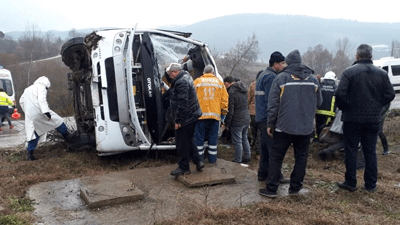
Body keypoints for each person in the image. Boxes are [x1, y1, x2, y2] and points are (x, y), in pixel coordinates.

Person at [259, 49, 322, 198]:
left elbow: (273, 104)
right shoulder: (313, 80)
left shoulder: (281, 79)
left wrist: (270, 124)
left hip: (283, 127)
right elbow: (319, 102)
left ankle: (272, 189)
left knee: (276, 157)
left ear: (288, 63)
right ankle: (295, 188)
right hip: (306, 128)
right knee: (301, 158)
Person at [335, 44, 395, 192]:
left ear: (357, 56)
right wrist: (378, 105)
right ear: (371, 56)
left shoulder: (349, 72)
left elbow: (340, 94)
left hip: (352, 119)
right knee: (370, 151)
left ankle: (350, 183)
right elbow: (390, 95)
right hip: (373, 119)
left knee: (351, 150)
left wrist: (346, 107)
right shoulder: (381, 74)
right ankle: (370, 185)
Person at [19, 76, 72, 161]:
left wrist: (27, 111)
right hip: (40, 112)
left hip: (30, 115)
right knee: (58, 121)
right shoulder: (41, 87)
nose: (46, 90)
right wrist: (46, 112)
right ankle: (69, 142)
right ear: (46, 84)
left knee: (35, 132)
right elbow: (41, 99)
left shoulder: (28, 89)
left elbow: (21, 101)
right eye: (47, 88)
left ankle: (30, 154)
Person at [166, 63, 205, 176]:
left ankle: (184, 168)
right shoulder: (186, 76)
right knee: (189, 139)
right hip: (192, 115)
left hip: (186, 117)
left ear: (175, 72)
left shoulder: (181, 82)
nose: (169, 76)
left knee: (181, 143)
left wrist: (178, 121)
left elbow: (183, 103)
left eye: (170, 73)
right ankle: (198, 161)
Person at [255, 51, 287, 182]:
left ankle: (262, 174)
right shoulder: (271, 77)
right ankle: (276, 176)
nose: (284, 66)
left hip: (260, 117)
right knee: (273, 150)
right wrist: (272, 121)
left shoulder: (263, 74)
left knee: (265, 149)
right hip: (266, 118)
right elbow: (272, 101)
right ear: (275, 64)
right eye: (282, 63)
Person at [194, 65, 229, 163]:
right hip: (215, 117)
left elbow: (192, 98)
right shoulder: (219, 82)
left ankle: (199, 160)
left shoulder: (197, 82)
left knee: (199, 138)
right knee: (213, 139)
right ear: (213, 72)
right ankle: (212, 160)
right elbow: (224, 100)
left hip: (200, 116)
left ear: (203, 72)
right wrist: (223, 113)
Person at [223, 76, 251, 163]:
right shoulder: (243, 89)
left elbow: (230, 111)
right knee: (244, 138)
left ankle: (238, 159)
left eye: (225, 84)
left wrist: (227, 123)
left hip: (237, 120)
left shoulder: (231, 92)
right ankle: (247, 156)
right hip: (246, 118)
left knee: (237, 141)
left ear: (227, 83)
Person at [314, 71, 338, 142]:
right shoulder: (336, 87)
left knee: (318, 124)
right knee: (325, 127)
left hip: (318, 110)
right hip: (330, 112)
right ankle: (321, 141)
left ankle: (316, 138)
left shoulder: (320, 85)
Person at [248, 71, 262, 155]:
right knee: (260, 132)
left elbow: (248, 98)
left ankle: (253, 145)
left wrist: (248, 107)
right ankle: (258, 149)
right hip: (262, 112)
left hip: (252, 112)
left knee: (254, 130)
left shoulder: (252, 85)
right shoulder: (267, 84)